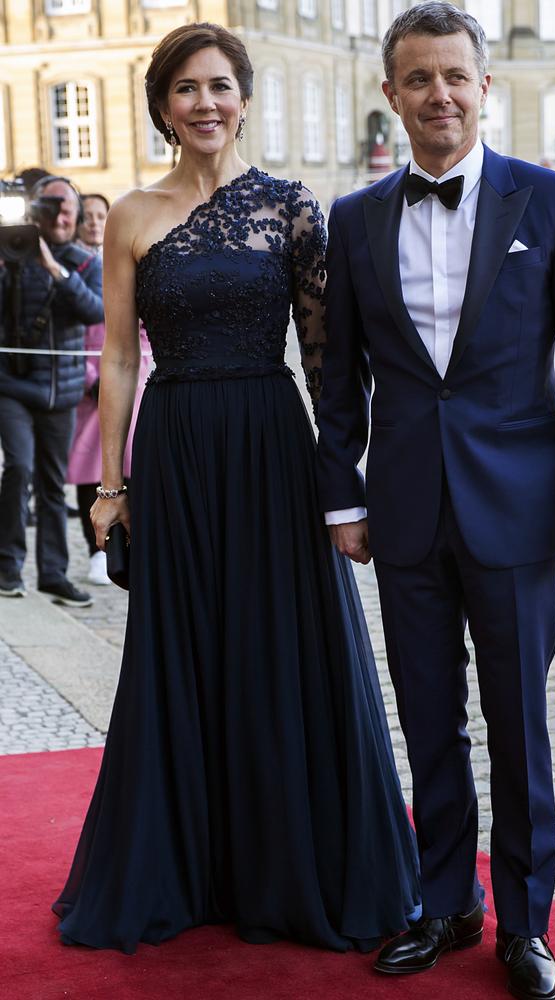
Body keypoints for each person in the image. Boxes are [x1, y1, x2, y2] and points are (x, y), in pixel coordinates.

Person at [52, 22, 419, 954]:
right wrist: (109, 485)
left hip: (270, 445)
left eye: (220, 85)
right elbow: (122, 361)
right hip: (175, 445)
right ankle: (190, 863)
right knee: (182, 648)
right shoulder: (132, 212)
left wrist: (346, 486)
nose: (205, 102)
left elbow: (331, 360)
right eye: (185, 89)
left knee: (284, 646)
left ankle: (289, 864)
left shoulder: (294, 208)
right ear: (164, 107)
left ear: (244, 98)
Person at [316, 5, 555, 1000]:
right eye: (417, 78)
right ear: (390, 91)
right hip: (401, 511)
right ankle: (445, 901)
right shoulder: (354, 218)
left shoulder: (553, 202)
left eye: (454, 75)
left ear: (482, 86)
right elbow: (338, 376)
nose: (437, 94)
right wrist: (339, 494)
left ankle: (524, 925)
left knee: (517, 722)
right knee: (428, 717)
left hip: (518, 508)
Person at [0, 176, 104, 606]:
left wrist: (53, 269)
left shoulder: (84, 262)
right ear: (36, 213)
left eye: (68, 209)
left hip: (62, 392)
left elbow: (95, 310)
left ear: (76, 216)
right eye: (51, 208)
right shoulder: (10, 256)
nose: (61, 216)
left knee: (52, 485)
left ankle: (53, 575)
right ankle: (8, 568)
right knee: (19, 468)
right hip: (13, 386)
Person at [67, 193, 151, 586]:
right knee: (93, 468)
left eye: (102, 215)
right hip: (92, 382)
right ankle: (98, 547)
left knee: (132, 460)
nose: (95, 222)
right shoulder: (74, 265)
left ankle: (131, 538)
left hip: (131, 381)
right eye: (90, 216)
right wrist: (88, 375)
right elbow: (73, 330)